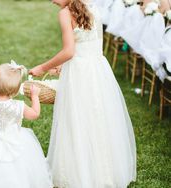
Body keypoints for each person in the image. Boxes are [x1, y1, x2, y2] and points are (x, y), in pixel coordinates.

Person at [30, 0, 137, 187]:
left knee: (76, 119)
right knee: (98, 118)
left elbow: (70, 51)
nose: (52, 1)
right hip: (97, 69)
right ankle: (104, 172)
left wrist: (43, 67)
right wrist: (63, 64)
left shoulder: (65, 13)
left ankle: (78, 173)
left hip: (79, 73)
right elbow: (92, 46)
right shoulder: (93, 8)